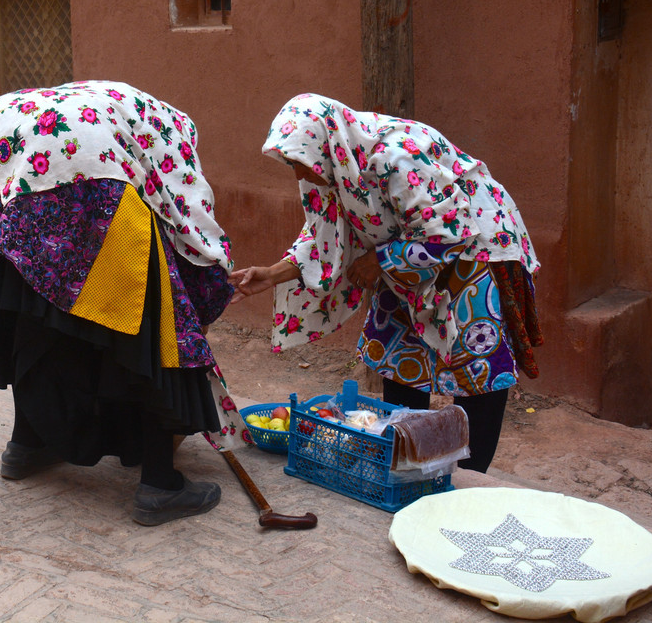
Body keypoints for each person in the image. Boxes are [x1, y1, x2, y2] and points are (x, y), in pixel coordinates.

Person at [0, 80, 236, 525]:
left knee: (32, 302)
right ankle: (159, 484)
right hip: (68, 162)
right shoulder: (170, 140)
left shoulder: (122, 109)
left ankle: (28, 443)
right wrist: (205, 294)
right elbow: (193, 230)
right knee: (150, 325)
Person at [229, 94, 543, 473]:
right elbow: (325, 234)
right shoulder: (334, 166)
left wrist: (381, 260)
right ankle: (406, 460)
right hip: (410, 249)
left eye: (299, 163)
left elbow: (450, 231)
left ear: (326, 144)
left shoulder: (394, 156)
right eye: (292, 164)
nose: (299, 174)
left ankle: (470, 480)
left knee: (474, 360)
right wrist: (272, 273)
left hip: (475, 247)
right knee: (399, 353)